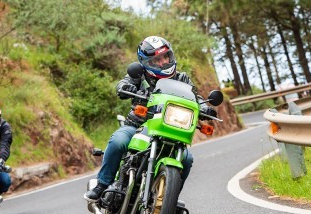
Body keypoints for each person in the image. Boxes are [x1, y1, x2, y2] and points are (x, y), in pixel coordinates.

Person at [84, 36, 217, 203]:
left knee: (187, 159)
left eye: (165, 57)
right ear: (145, 63)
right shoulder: (139, 75)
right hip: (138, 127)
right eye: (156, 60)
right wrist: (126, 88)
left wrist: (204, 108)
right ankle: (102, 184)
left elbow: (195, 98)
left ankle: (169, 199)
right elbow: (122, 84)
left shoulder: (182, 79)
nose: (162, 63)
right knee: (118, 141)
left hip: (170, 131)